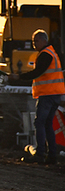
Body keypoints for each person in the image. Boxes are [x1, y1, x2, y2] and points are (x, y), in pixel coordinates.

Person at [10, 29, 65, 164]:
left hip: (48, 94)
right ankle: (51, 155)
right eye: (34, 41)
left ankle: (40, 153)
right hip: (54, 94)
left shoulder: (45, 55)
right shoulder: (51, 53)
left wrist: (19, 77)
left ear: (44, 40)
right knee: (47, 124)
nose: (35, 44)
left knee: (39, 122)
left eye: (37, 41)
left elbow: (37, 73)